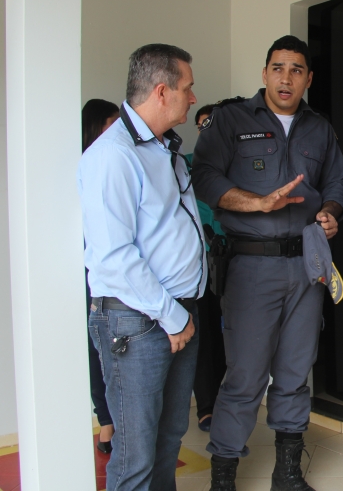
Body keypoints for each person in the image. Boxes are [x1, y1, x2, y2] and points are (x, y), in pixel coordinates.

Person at [192, 35, 343, 491]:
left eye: (296, 70)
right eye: (278, 68)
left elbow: (338, 183)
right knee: (244, 375)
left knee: (296, 372)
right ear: (264, 73)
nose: (286, 78)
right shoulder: (230, 120)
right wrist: (256, 203)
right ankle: (223, 476)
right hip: (251, 267)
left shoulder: (319, 128)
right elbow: (204, 176)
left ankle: (287, 474)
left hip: (306, 266)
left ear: (308, 78)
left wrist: (330, 213)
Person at [79, 44, 205, 491]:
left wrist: (181, 313)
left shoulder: (163, 148)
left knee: (168, 441)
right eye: (187, 88)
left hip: (176, 313)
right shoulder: (113, 155)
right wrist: (173, 317)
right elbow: (114, 258)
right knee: (135, 456)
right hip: (139, 321)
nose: (193, 97)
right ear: (161, 91)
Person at [81, 98, 120, 454]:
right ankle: (105, 420)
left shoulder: (122, 160)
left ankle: (119, 420)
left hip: (119, 271)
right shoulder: (84, 164)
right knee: (96, 349)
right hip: (90, 269)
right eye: (111, 122)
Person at [186, 104, 227, 433]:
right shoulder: (184, 165)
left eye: (211, 123)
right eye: (201, 126)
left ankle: (227, 398)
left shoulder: (238, 164)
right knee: (204, 332)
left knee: (233, 335)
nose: (205, 130)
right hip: (199, 264)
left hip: (238, 260)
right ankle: (207, 406)